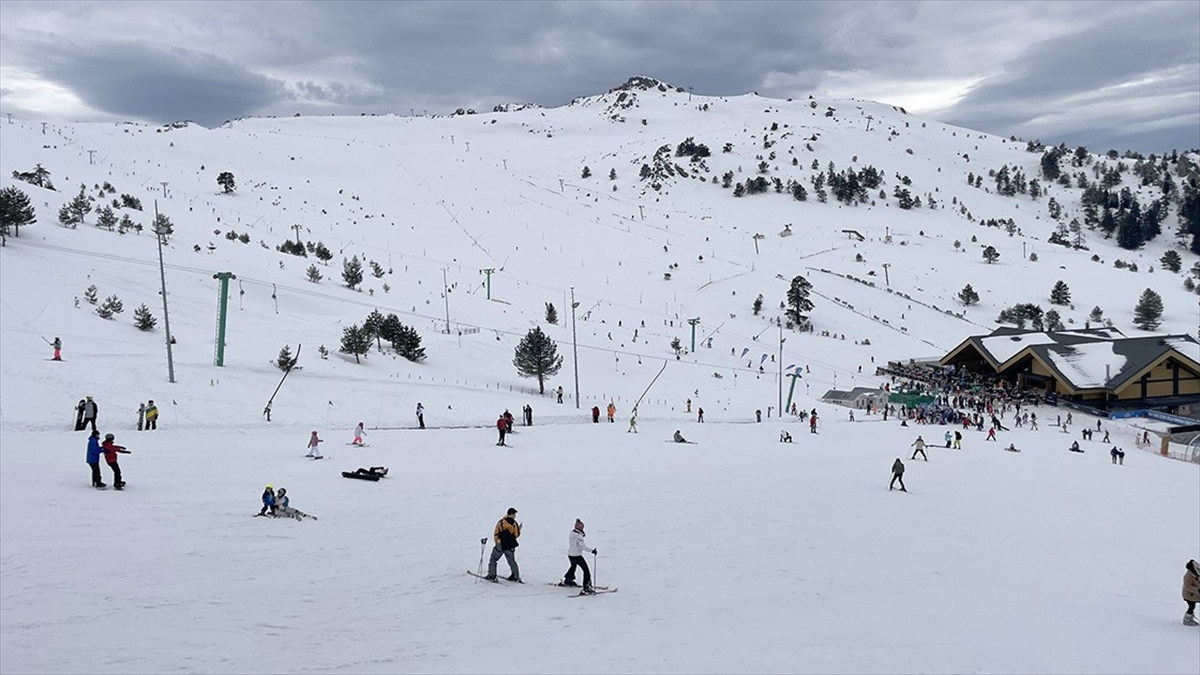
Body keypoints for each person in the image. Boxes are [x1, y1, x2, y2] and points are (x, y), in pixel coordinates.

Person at [485, 507, 521, 582]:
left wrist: (497, 542)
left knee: (493, 559)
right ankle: (515, 576)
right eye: (514, 514)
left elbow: (496, 532)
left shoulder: (501, 522)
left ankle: (492, 575)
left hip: (500, 544)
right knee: (512, 561)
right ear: (511, 514)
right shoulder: (515, 524)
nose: (515, 516)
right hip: (510, 545)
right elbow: (516, 535)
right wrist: (519, 529)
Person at [561, 519, 596, 593]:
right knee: (586, 570)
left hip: (570, 554)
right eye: (582, 527)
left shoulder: (572, 533)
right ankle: (586, 586)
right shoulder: (579, 537)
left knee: (573, 566)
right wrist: (592, 551)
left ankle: (568, 579)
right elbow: (583, 547)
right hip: (577, 555)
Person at [1183, 559, 1200, 626]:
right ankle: (1187, 619)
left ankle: (1188, 618)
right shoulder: (1188, 576)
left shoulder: (1196, 572)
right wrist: (1197, 590)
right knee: (1191, 606)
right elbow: (1187, 586)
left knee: (1191, 607)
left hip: (1195, 594)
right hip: (1190, 595)